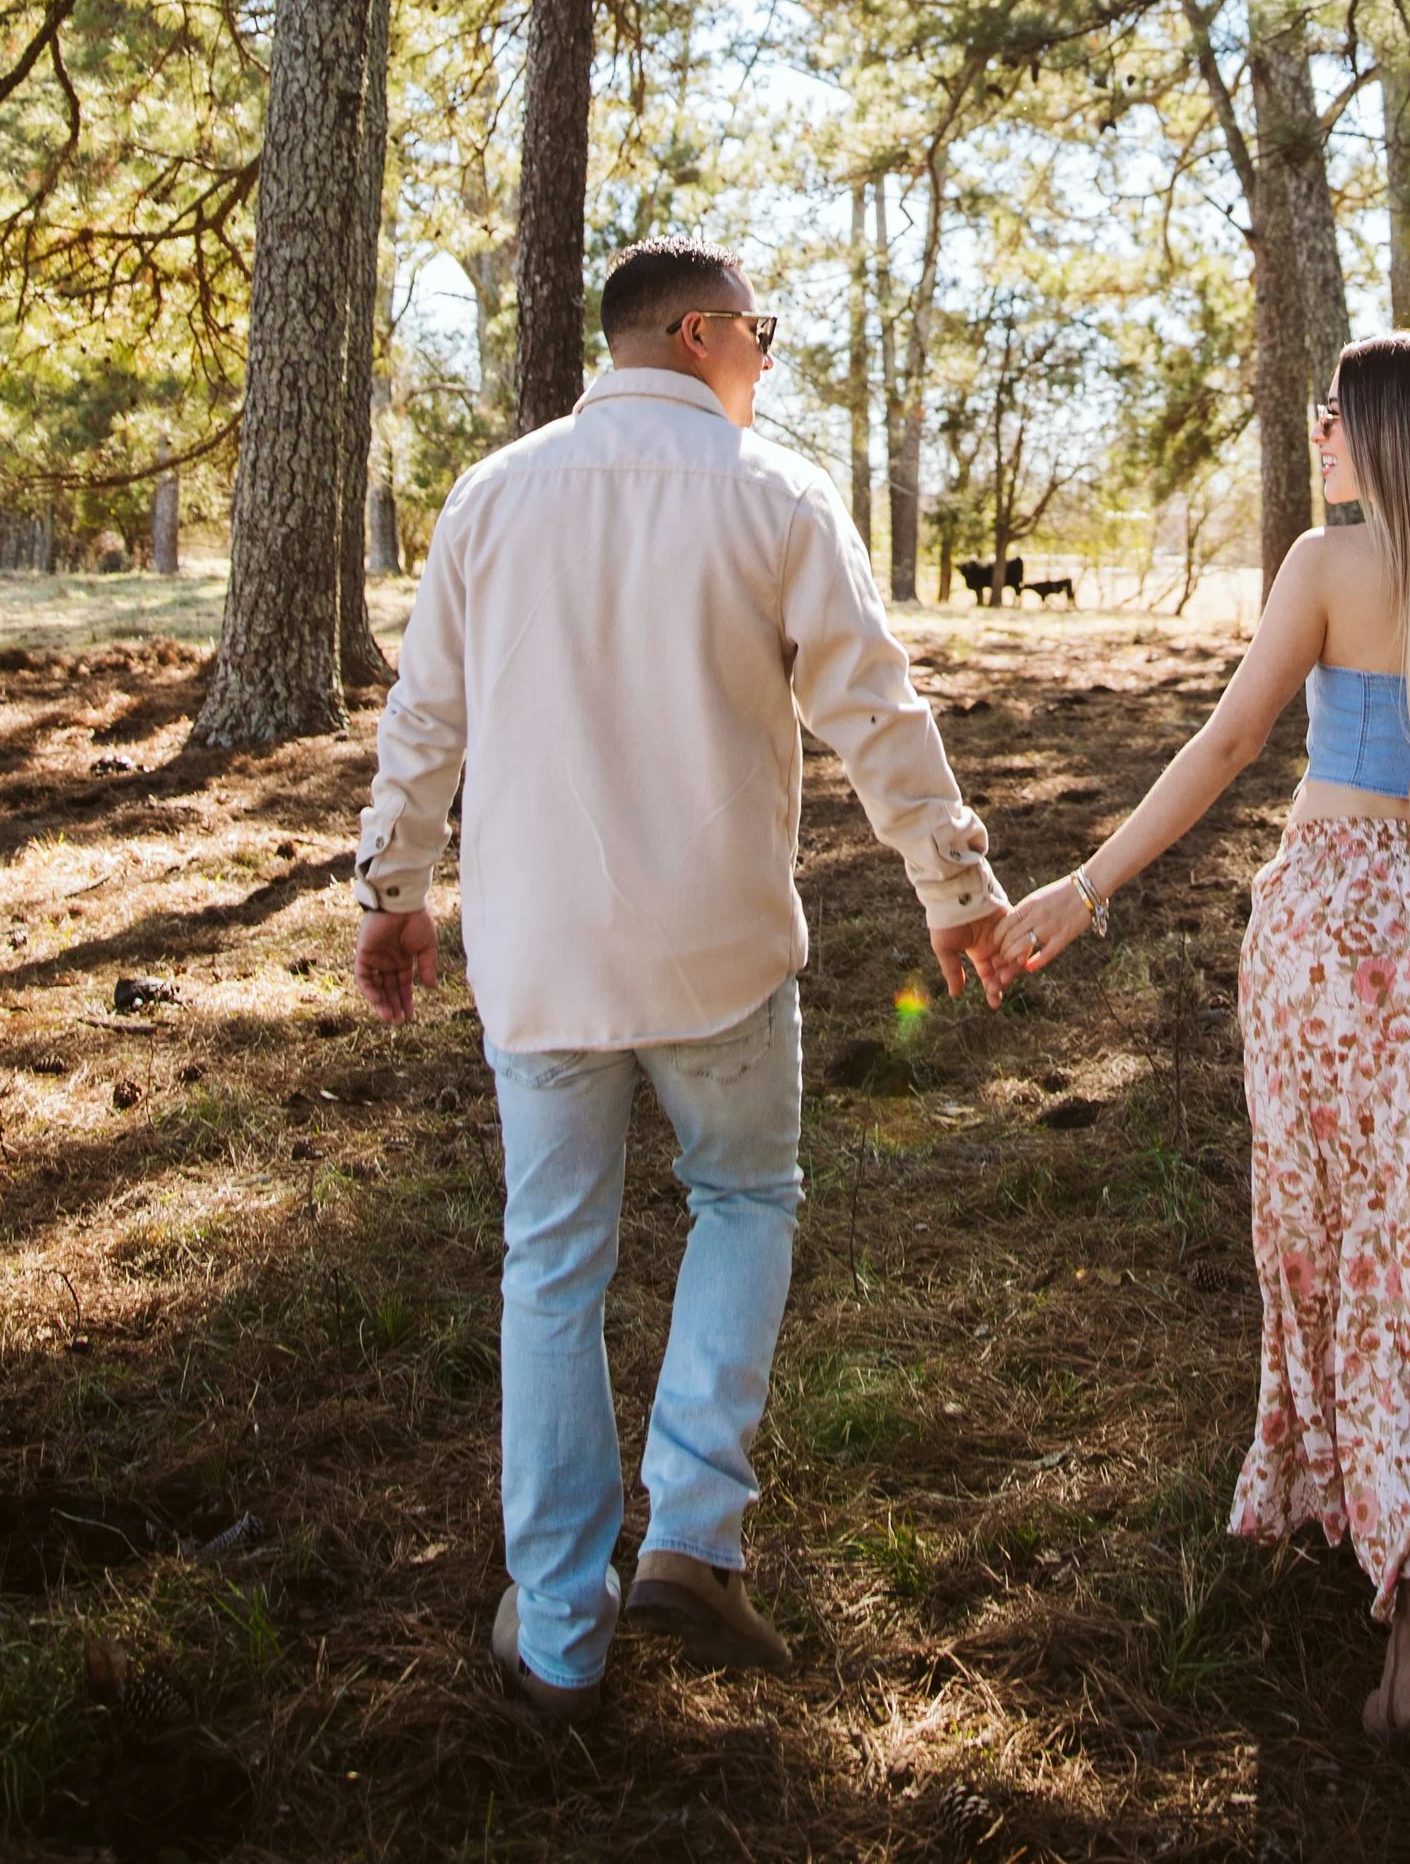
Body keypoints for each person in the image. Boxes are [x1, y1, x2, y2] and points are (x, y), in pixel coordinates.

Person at [350, 234, 1010, 1718]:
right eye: (760, 333)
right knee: (744, 1199)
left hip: (544, 954)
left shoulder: (493, 494)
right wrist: (954, 889)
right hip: (716, 948)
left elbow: (425, 719)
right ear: (702, 331)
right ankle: (695, 1540)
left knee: (554, 1262)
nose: (766, 362)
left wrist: (392, 889)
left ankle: (564, 1636)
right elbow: (880, 717)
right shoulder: (773, 497)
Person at [997, 329, 1410, 1778]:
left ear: (1384, 435)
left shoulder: (1326, 562)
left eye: (1333, 416)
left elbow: (1231, 744)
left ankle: (1369, 1524)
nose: (1319, 434)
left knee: (1335, 1234)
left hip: (1321, 928)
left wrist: (1084, 887)